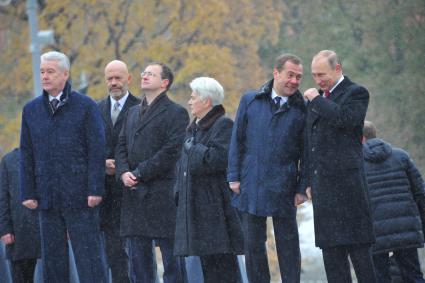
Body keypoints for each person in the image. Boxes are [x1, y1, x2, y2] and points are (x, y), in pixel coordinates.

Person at [20, 51, 107, 282]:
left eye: (50, 72)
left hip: (80, 196)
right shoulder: (31, 110)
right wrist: (28, 191)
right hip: (47, 196)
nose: (45, 77)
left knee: (89, 258)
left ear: (65, 74)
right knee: (53, 261)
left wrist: (95, 189)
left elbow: (97, 149)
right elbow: (26, 153)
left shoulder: (86, 106)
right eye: (42, 72)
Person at [227, 53, 307, 283]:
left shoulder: (302, 109)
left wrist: (302, 187)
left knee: (288, 245)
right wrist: (233, 176)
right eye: (290, 75)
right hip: (251, 183)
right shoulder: (250, 100)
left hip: (285, 185)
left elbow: (306, 152)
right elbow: (237, 141)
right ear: (276, 73)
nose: (294, 81)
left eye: (299, 77)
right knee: (253, 246)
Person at [303, 50, 376, 283]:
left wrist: (316, 100)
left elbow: (345, 119)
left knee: (362, 260)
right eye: (314, 75)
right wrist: (306, 180)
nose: (318, 80)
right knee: (333, 263)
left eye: (322, 74)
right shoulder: (317, 100)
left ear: (338, 68)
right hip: (323, 191)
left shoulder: (356, 93)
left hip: (349, 190)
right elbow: (309, 143)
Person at [115, 62, 189, 283]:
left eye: (151, 74)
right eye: (144, 73)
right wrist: (123, 172)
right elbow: (120, 147)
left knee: (172, 262)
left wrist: (139, 172)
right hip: (133, 195)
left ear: (164, 83)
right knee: (138, 264)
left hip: (162, 194)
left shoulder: (177, 113)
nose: (144, 76)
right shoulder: (131, 113)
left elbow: (171, 151)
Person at [174, 77, 244, 283]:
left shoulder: (223, 125)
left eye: (193, 97)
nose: (189, 101)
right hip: (197, 209)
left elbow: (217, 160)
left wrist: (192, 148)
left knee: (222, 267)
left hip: (216, 211)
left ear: (206, 102)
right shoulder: (193, 129)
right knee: (208, 266)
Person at [363, 120, 425, 283]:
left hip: (375, 231)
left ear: (360, 138)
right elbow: (420, 193)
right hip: (406, 227)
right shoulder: (401, 156)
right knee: (414, 275)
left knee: (380, 278)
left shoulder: (356, 164)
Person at [98, 60, 140, 282]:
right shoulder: (96, 109)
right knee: (113, 253)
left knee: (137, 254)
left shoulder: (141, 108)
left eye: (118, 78)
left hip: (132, 190)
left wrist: (123, 167)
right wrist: (102, 164)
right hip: (106, 194)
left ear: (128, 79)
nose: (114, 83)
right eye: (110, 79)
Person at [0, 148, 40, 282]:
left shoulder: (49, 155)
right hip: (19, 229)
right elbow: (3, 197)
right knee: (21, 275)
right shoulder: (9, 160)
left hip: (45, 227)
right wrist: (5, 229)